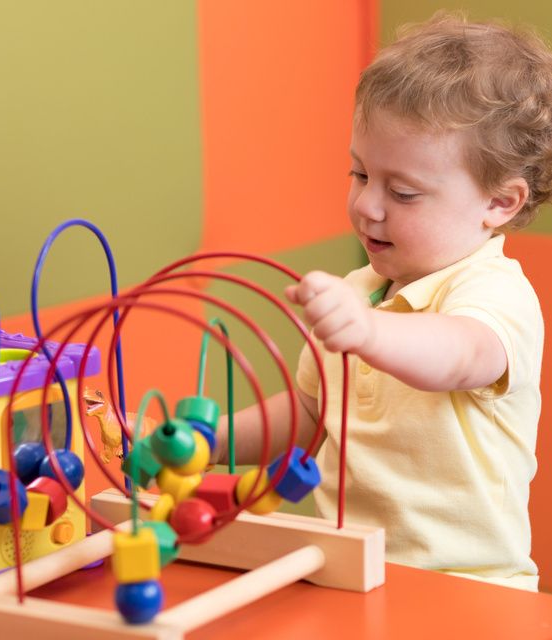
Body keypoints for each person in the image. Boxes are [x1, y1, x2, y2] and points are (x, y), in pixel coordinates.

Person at [213, 13, 552, 591]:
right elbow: (310, 415)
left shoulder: (495, 294)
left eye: (403, 192)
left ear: (498, 201)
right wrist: (204, 441)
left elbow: (460, 354)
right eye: (359, 172)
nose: (368, 206)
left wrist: (366, 332)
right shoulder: (357, 293)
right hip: (349, 574)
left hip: (470, 589)